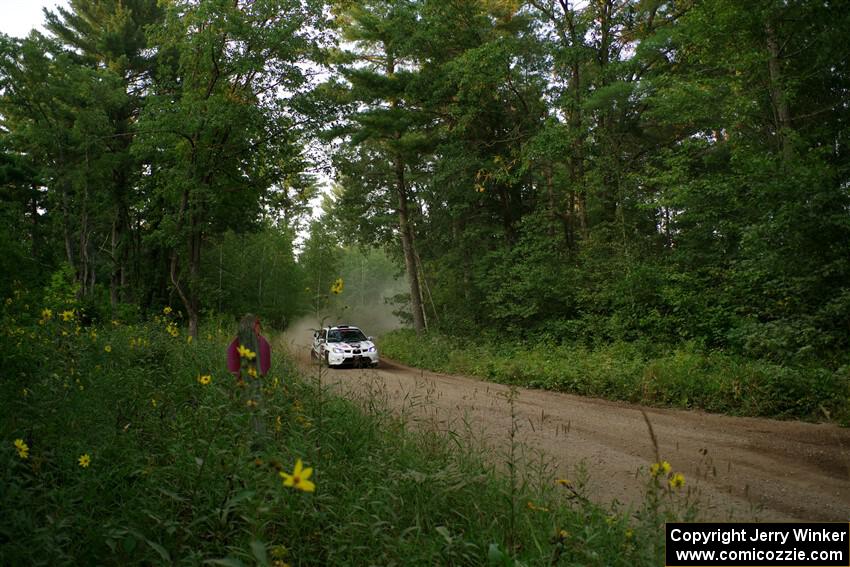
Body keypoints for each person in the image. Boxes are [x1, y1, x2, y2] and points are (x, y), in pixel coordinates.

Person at [227, 314, 271, 379]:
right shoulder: (234, 347)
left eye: (258, 333)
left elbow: (264, 372)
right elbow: (233, 372)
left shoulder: (264, 345)